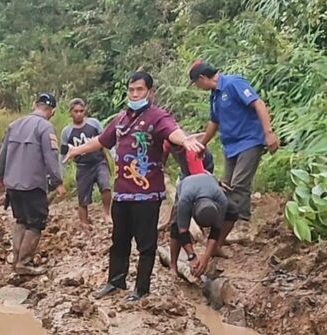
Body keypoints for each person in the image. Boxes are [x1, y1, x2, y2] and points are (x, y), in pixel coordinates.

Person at [65, 71, 205, 301]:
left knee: (146, 244)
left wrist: (185, 139)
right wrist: (76, 150)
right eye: (131, 90)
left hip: (147, 195)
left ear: (150, 92)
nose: (135, 94)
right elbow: (101, 140)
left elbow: (173, 131)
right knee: (119, 241)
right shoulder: (121, 119)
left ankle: (141, 289)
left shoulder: (157, 117)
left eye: (140, 90)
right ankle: (115, 281)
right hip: (122, 194)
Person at [190, 61, 279, 221]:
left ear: (202, 78)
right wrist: (202, 144)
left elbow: (258, 104)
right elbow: (214, 122)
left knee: (239, 184)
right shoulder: (214, 96)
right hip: (231, 146)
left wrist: (268, 133)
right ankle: (228, 220)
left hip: (249, 140)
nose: (198, 87)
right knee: (226, 185)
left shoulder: (233, 84)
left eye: (196, 83)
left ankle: (241, 221)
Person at [0, 93, 66, 276]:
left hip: (13, 184)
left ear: (35, 105)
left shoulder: (14, 124)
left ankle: (16, 260)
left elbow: (3, 153)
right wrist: (57, 181)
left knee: (21, 220)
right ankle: (24, 262)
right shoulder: (45, 127)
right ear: (52, 111)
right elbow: (51, 156)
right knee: (36, 223)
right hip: (32, 184)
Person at [169, 172, 238, 279]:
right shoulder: (185, 200)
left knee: (233, 212)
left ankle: (216, 248)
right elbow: (183, 231)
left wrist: (206, 257)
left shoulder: (221, 200)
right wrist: (192, 257)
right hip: (187, 185)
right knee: (176, 225)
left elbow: (215, 230)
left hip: (209, 182)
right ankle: (173, 265)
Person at [60, 98, 111, 227]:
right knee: (83, 197)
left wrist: (113, 157)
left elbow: (106, 140)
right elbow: (63, 154)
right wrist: (61, 174)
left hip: (99, 162)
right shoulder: (67, 132)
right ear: (70, 113)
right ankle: (83, 222)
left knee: (105, 186)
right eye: (76, 111)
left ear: (85, 111)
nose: (79, 114)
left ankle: (106, 214)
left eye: (81, 111)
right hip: (83, 167)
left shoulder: (94, 124)